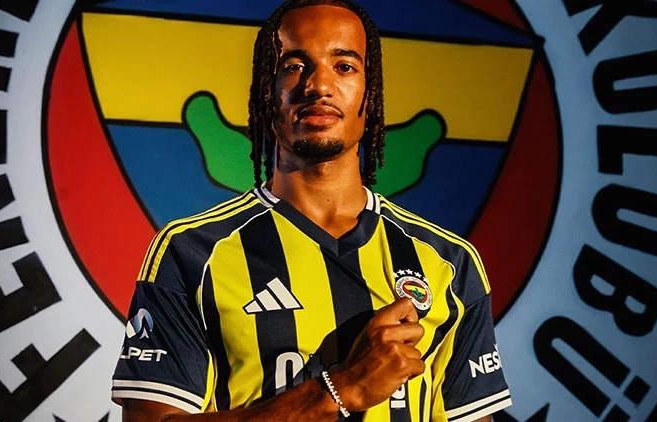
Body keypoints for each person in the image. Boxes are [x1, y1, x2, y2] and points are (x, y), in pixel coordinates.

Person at [111, 0, 512, 421]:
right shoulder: (192, 252)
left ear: (370, 94)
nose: (318, 85)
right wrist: (340, 391)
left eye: (344, 66)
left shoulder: (448, 262)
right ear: (267, 92)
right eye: (294, 66)